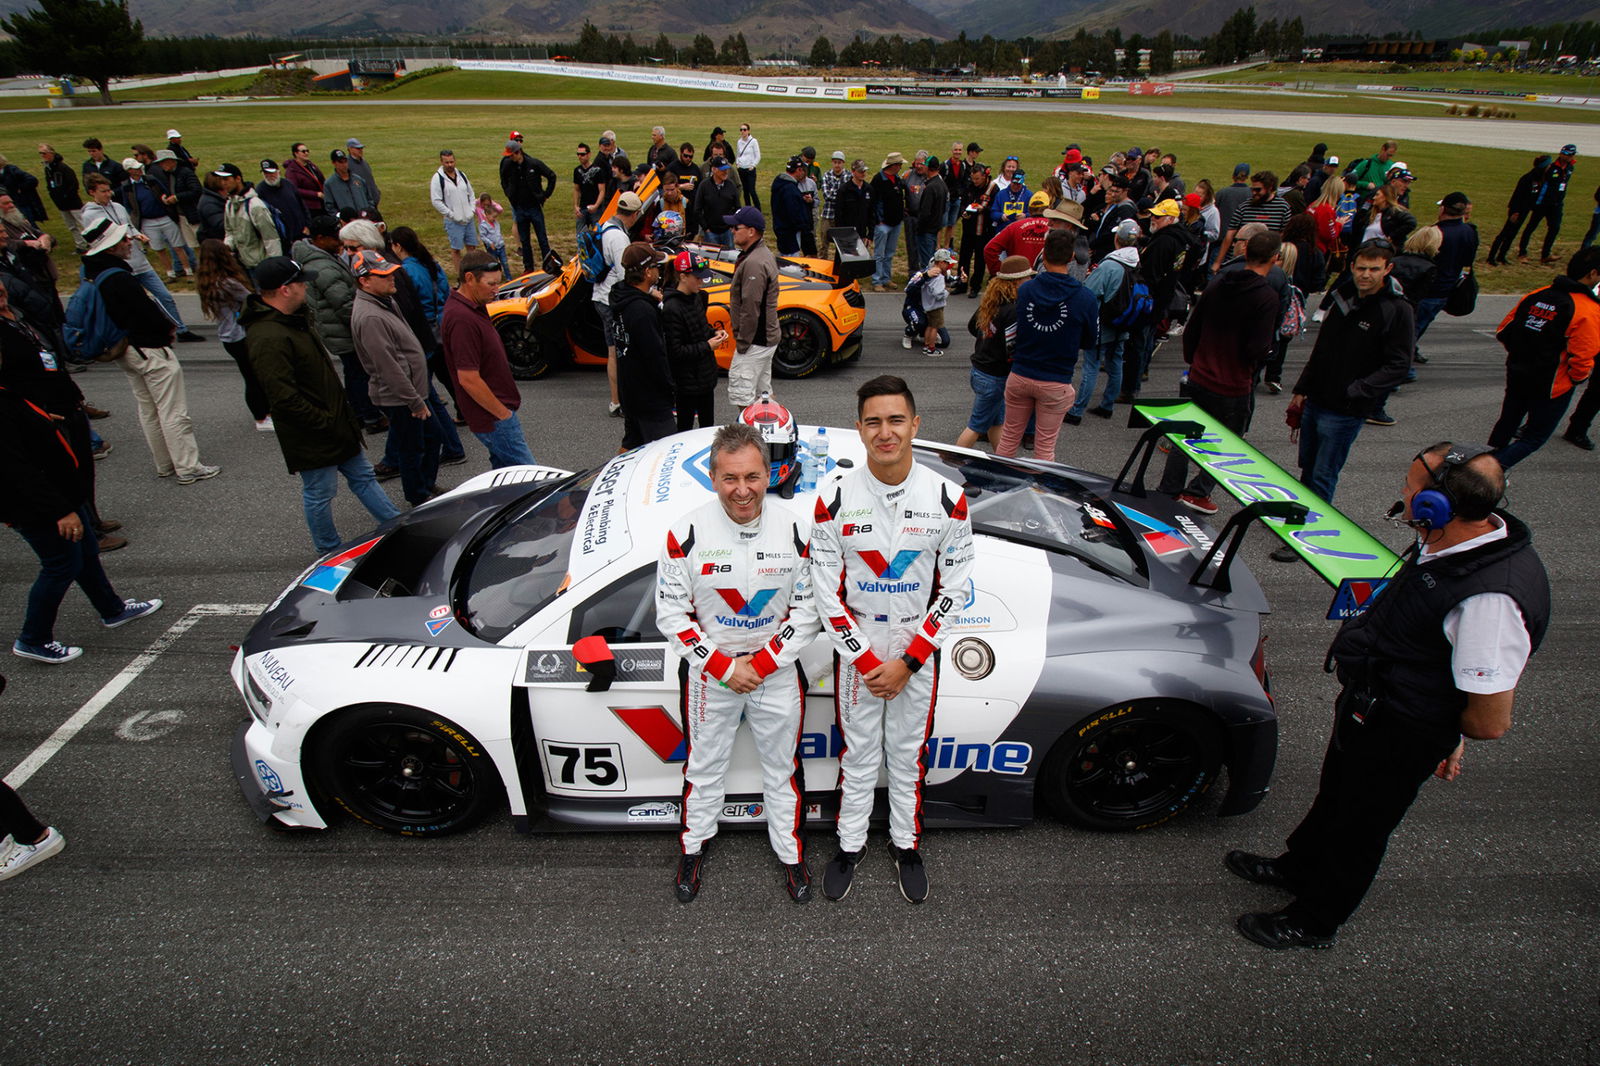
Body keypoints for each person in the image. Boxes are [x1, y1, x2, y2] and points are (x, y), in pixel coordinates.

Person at [1228, 443, 1549, 950]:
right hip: (1373, 705)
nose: (1402, 492)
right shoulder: (1451, 543)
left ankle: (1315, 921)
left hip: (1403, 729)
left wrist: (1445, 734)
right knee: (1336, 795)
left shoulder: (1491, 598)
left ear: (1436, 505)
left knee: (1361, 824)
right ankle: (1299, 867)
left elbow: (1490, 718)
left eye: (1410, 484)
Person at [810, 375, 975, 904]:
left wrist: (908, 660)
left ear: (915, 425)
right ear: (859, 429)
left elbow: (955, 590)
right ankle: (849, 845)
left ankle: (905, 845)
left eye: (896, 420)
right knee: (858, 757)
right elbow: (825, 595)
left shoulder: (948, 498)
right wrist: (864, 659)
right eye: (874, 421)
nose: (886, 432)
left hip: (915, 658)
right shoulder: (833, 498)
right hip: (858, 660)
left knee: (906, 757)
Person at [658, 421, 820, 904]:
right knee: (704, 768)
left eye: (752, 477)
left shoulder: (798, 526)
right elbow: (672, 614)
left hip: (776, 672)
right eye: (730, 478)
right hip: (712, 674)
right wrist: (727, 668)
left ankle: (791, 855)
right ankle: (692, 848)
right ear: (712, 478)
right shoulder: (685, 531)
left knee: (782, 769)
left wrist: (763, 664)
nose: (742, 490)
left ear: (769, 474)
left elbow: (809, 608)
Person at [1, 285, 162, 665]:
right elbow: (14, 469)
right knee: (61, 563)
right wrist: (62, 509)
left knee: (86, 550)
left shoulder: (10, 393)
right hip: (35, 503)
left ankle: (111, 608)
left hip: (55, 488)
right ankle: (34, 637)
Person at [241, 256, 401, 552]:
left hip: (335, 423)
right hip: (314, 433)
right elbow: (283, 397)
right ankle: (328, 549)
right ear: (285, 289)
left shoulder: (292, 320)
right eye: (301, 282)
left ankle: (395, 525)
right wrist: (326, 422)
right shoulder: (268, 336)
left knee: (363, 477)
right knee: (320, 492)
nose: (306, 287)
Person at [80, 219, 219, 485]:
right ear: (110, 247)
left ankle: (165, 463)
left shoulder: (93, 273)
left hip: (125, 350)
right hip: (148, 348)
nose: (129, 242)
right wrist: (166, 332)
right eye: (122, 240)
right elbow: (147, 314)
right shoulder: (119, 278)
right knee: (172, 410)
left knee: (148, 408)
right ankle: (187, 466)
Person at [1157, 231, 1282, 516]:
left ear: (1246, 251)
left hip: (1200, 374)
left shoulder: (1219, 283)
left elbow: (1194, 326)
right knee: (1226, 442)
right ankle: (1198, 491)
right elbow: (1257, 347)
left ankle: (1169, 487)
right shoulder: (1266, 297)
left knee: (1186, 436)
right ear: (1275, 258)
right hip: (1233, 384)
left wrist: (1194, 359)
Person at [1287, 239, 1414, 510]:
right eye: (1361, 268)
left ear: (1387, 269)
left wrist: (1358, 389)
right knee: (1308, 465)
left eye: (1374, 269)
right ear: (1352, 267)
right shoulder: (1344, 295)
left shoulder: (1397, 309)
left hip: (1345, 409)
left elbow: (1399, 365)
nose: (1366, 275)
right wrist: (1302, 388)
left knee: (1324, 472)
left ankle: (1311, 533)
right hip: (1316, 398)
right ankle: (1298, 513)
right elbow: (1322, 348)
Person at [1489, 248, 1600, 468]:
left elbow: (1504, 330)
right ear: (1593, 274)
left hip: (1518, 372)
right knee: (1534, 437)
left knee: (1508, 421)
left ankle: (1488, 456)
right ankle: (1488, 470)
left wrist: (1521, 353)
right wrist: (1576, 379)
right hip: (1551, 384)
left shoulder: (1537, 294)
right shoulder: (1587, 310)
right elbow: (1583, 356)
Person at [996, 230, 1098, 463]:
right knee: (1044, 448)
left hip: (1021, 372)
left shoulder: (1026, 290)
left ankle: (997, 485)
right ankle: (1040, 495)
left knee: (1009, 438)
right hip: (1056, 378)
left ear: (1044, 254)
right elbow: (1091, 340)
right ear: (1072, 256)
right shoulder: (1085, 298)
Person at [349, 250, 441, 507]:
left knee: (432, 438)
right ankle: (418, 497)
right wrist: (415, 402)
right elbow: (387, 366)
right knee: (413, 448)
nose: (392, 277)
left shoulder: (385, 301)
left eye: (391, 271)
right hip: (402, 398)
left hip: (413, 392)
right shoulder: (370, 317)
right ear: (364, 281)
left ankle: (424, 486)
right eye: (383, 274)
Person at [79, 173, 201, 343]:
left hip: (140, 261)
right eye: (103, 191)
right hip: (121, 266)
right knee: (138, 303)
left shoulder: (119, 207)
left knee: (164, 296)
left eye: (109, 190)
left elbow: (128, 226)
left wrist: (138, 235)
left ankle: (181, 328)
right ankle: (146, 333)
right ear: (92, 192)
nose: (108, 194)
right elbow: (97, 242)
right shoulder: (89, 215)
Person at [442, 251, 536, 468]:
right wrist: (503, 414)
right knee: (532, 477)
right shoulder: (461, 319)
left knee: (506, 477)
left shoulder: (472, 307)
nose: (497, 289)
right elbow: (468, 378)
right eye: (491, 284)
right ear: (469, 279)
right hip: (494, 417)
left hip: (496, 414)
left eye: (498, 283)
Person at [292, 215, 383, 434]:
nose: (340, 243)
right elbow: (344, 304)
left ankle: (360, 412)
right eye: (335, 237)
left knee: (354, 372)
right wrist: (366, 324)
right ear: (320, 238)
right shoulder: (323, 266)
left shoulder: (322, 257)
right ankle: (369, 416)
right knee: (358, 373)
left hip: (338, 329)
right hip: (343, 331)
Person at [194, 239, 271, 431]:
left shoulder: (208, 282)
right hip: (241, 335)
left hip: (228, 335)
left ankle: (263, 413)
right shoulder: (228, 283)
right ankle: (262, 416)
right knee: (254, 376)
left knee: (251, 375)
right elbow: (252, 300)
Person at [1069, 220, 1141, 424]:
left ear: (1117, 239)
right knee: (1116, 361)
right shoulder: (1136, 261)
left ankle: (1077, 410)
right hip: (1124, 321)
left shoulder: (1110, 264)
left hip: (1103, 322)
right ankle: (1107, 404)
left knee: (1091, 365)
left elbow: (1089, 291)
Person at [958, 255, 1029, 449]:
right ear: (1017, 282)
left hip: (980, 369)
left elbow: (973, 327)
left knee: (997, 422)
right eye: (1027, 278)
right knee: (975, 426)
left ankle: (1001, 460)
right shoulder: (1014, 310)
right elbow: (1013, 346)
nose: (1031, 282)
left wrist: (987, 339)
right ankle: (951, 464)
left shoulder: (991, 301)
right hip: (995, 376)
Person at [610, 242, 675, 449]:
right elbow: (655, 357)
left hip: (629, 391)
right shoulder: (642, 311)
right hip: (650, 397)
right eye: (656, 266)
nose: (659, 270)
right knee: (665, 452)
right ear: (647, 272)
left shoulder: (620, 297)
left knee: (631, 445)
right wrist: (669, 389)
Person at [662, 250, 726, 432]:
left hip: (706, 377)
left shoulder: (697, 297)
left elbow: (701, 328)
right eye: (697, 277)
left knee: (708, 428)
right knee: (684, 430)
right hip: (686, 383)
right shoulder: (671, 308)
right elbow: (675, 351)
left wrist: (714, 333)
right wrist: (707, 346)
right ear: (683, 276)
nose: (701, 281)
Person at [593, 191, 642, 418]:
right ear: (634, 214)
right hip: (612, 300)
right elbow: (626, 274)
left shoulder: (605, 227)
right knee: (618, 352)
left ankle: (617, 400)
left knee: (613, 351)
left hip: (601, 295)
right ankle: (618, 401)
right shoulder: (620, 238)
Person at [725, 206, 779, 409]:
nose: (732, 231)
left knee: (743, 399)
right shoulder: (760, 254)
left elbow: (751, 307)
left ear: (751, 231)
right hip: (764, 339)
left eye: (736, 227)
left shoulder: (755, 262)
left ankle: (749, 438)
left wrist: (743, 342)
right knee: (764, 395)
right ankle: (771, 433)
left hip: (755, 341)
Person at [499, 138, 557, 271]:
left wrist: (545, 195)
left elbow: (551, 176)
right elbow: (503, 179)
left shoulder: (533, 163)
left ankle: (548, 265)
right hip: (519, 208)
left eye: (511, 155)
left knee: (542, 238)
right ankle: (528, 267)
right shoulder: (508, 165)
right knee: (524, 241)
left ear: (518, 152)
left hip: (534, 207)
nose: (509, 158)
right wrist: (509, 194)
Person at [1215, 171, 1290, 271]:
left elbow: (1283, 236)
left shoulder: (1283, 208)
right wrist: (1218, 262)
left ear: (1270, 188)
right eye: (1252, 189)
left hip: (1265, 262)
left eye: (1258, 190)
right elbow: (1229, 235)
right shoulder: (1244, 207)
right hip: (1241, 261)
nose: (1254, 193)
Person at [1486, 156, 1549, 266]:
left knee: (1512, 234)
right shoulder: (1527, 178)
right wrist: (1514, 211)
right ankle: (1491, 257)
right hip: (1517, 211)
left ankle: (1501, 256)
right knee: (1505, 233)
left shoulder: (1539, 178)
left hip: (1524, 210)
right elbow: (1517, 196)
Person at [1519, 144, 1576, 265]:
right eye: (1565, 154)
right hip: (1542, 203)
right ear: (1561, 154)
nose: (1567, 157)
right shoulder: (1550, 167)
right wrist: (1534, 198)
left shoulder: (1570, 168)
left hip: (1557, 204)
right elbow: (1536, 183)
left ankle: (1545, 255)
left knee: (1554, 228)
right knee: (1531, 227)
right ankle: (1522, 253)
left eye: (1570, 155)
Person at [221, 167, 282, 279]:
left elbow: (271, 238)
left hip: (260, 266)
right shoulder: (229, 204)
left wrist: (274, 267)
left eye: (226, 179)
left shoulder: (255, 206)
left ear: (238, 179)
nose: (223, 183)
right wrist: (226, 247)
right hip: (243, 264)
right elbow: (229, 231)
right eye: (221, 180)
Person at [429, 150, 477, 275]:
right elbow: (436, 201)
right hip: (453, 221)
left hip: (468, 218)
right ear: (442, 162)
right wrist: (451, 214)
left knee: (472, 247)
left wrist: (472, 210)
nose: (450, 165)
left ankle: (473, 271)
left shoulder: (461, 175)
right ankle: (460, 275)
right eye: (447, 162)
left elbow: (471, 194)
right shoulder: (437, 178)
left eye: (451, 161)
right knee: (456, 249)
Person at [39, 143, 86, 252]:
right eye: (40, 153)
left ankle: (94, 242)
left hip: (72, 202)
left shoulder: (63, 168)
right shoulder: (48, 168)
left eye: (44, 153)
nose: (42, 156)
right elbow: (49, 184)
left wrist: (66, 195)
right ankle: (81, 245)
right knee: (71, 226)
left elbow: (73, 184)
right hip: (61, 203)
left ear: (51, 153)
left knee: (83, 223)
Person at [869, 153, 906, 291]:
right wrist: (877, 221)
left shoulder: (896, 179)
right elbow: (873, 203)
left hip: (896, 222)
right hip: (883, 223)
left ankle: (886, 278)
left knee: (889, 253)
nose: (901, 167)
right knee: (879, 254)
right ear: (894, 166)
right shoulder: (878, 180)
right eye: (900, 165)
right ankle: (876, 280)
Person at [955, 162, 991, 297]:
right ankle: (961, 283)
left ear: (984, 177)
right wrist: (964, 211)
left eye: (977, 179)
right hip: (968, 228)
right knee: (964, 257)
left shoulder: (992, 188)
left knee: (980, 260)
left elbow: (994, 208)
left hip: (983, 230)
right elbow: (963, 202)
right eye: (973, 178)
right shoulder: (969, 187)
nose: (975, 181)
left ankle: (975, 286)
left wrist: (984, 209)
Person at [254, 158, 310, 243]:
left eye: (271, 172)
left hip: (301, 233)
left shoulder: (289, 184)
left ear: (278, 172)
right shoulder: (260, 191)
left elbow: (302, 206)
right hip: (281, 239)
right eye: (266, 173)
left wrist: (307, 225)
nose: (269, 176)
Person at [694, 158, 740, 250]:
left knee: (729, 259)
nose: (725, 172)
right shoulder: (704, 186)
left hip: (728, 231)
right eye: (722, 169)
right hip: (711, 232)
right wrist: (706, 228)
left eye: (726, 169)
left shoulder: (731, 185)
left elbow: (737, 208)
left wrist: (732, 226)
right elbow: (697, 209)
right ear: (714, 170)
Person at [770, 156, 809, 256]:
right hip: (791, 234)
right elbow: (793, 213)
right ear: (798, 170)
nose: (803, 173)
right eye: (802, 170)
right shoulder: (790, 189)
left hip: (781, 230)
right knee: (791, 264)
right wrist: (803, 225)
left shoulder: (780, 184)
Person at [322, 149, 374, 218]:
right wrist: (342, 218)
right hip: (348, 223)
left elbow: (369, 198)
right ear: (334, 163)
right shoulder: (329, 184)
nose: (344, 165)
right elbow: (330, 207)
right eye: (340, 162)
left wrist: (369, 212)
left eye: (345, 161)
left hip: (364, 219)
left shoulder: (358, 179)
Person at [282, 143, 327, 221]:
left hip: (321, 202)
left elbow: (321, 179)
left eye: (307, 151)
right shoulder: (292, 170)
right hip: (309, 206)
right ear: (296, 153)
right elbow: (294, 189)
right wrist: (315, 194)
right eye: (303, 151)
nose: (306, 153)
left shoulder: (311, 165)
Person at [475, 194, 510, 278]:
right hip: (491, 246)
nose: (494, 219)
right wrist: (478, 200)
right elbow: (483, 236)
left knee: (504, 262)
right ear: (486, 215)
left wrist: (492, 203)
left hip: (500, 245)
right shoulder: (479, 211)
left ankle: (508, 277)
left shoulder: (496, 223)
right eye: (493, 217)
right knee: (494, 261)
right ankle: (497, 276)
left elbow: (500, 209)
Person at [343, 138, 380, 205]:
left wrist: (377, 192)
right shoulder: (347, 165)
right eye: (358, 149)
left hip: (373, 198)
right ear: (350, 149)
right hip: (362, 202)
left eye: (361, 148)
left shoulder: (364, 162)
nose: (360, 150)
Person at [735, 122, 761, 208]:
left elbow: (758, 156)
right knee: (745, 191)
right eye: (741, 130)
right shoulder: (739, 142)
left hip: (750, 170)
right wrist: (737, 163)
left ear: (748, 131)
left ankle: (758, 208)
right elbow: (738, 154)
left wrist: (753, 165)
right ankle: (748, 208)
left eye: (744, 130)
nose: (742, 131)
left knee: (752, 190)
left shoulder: (753, 141)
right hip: (741, 169)